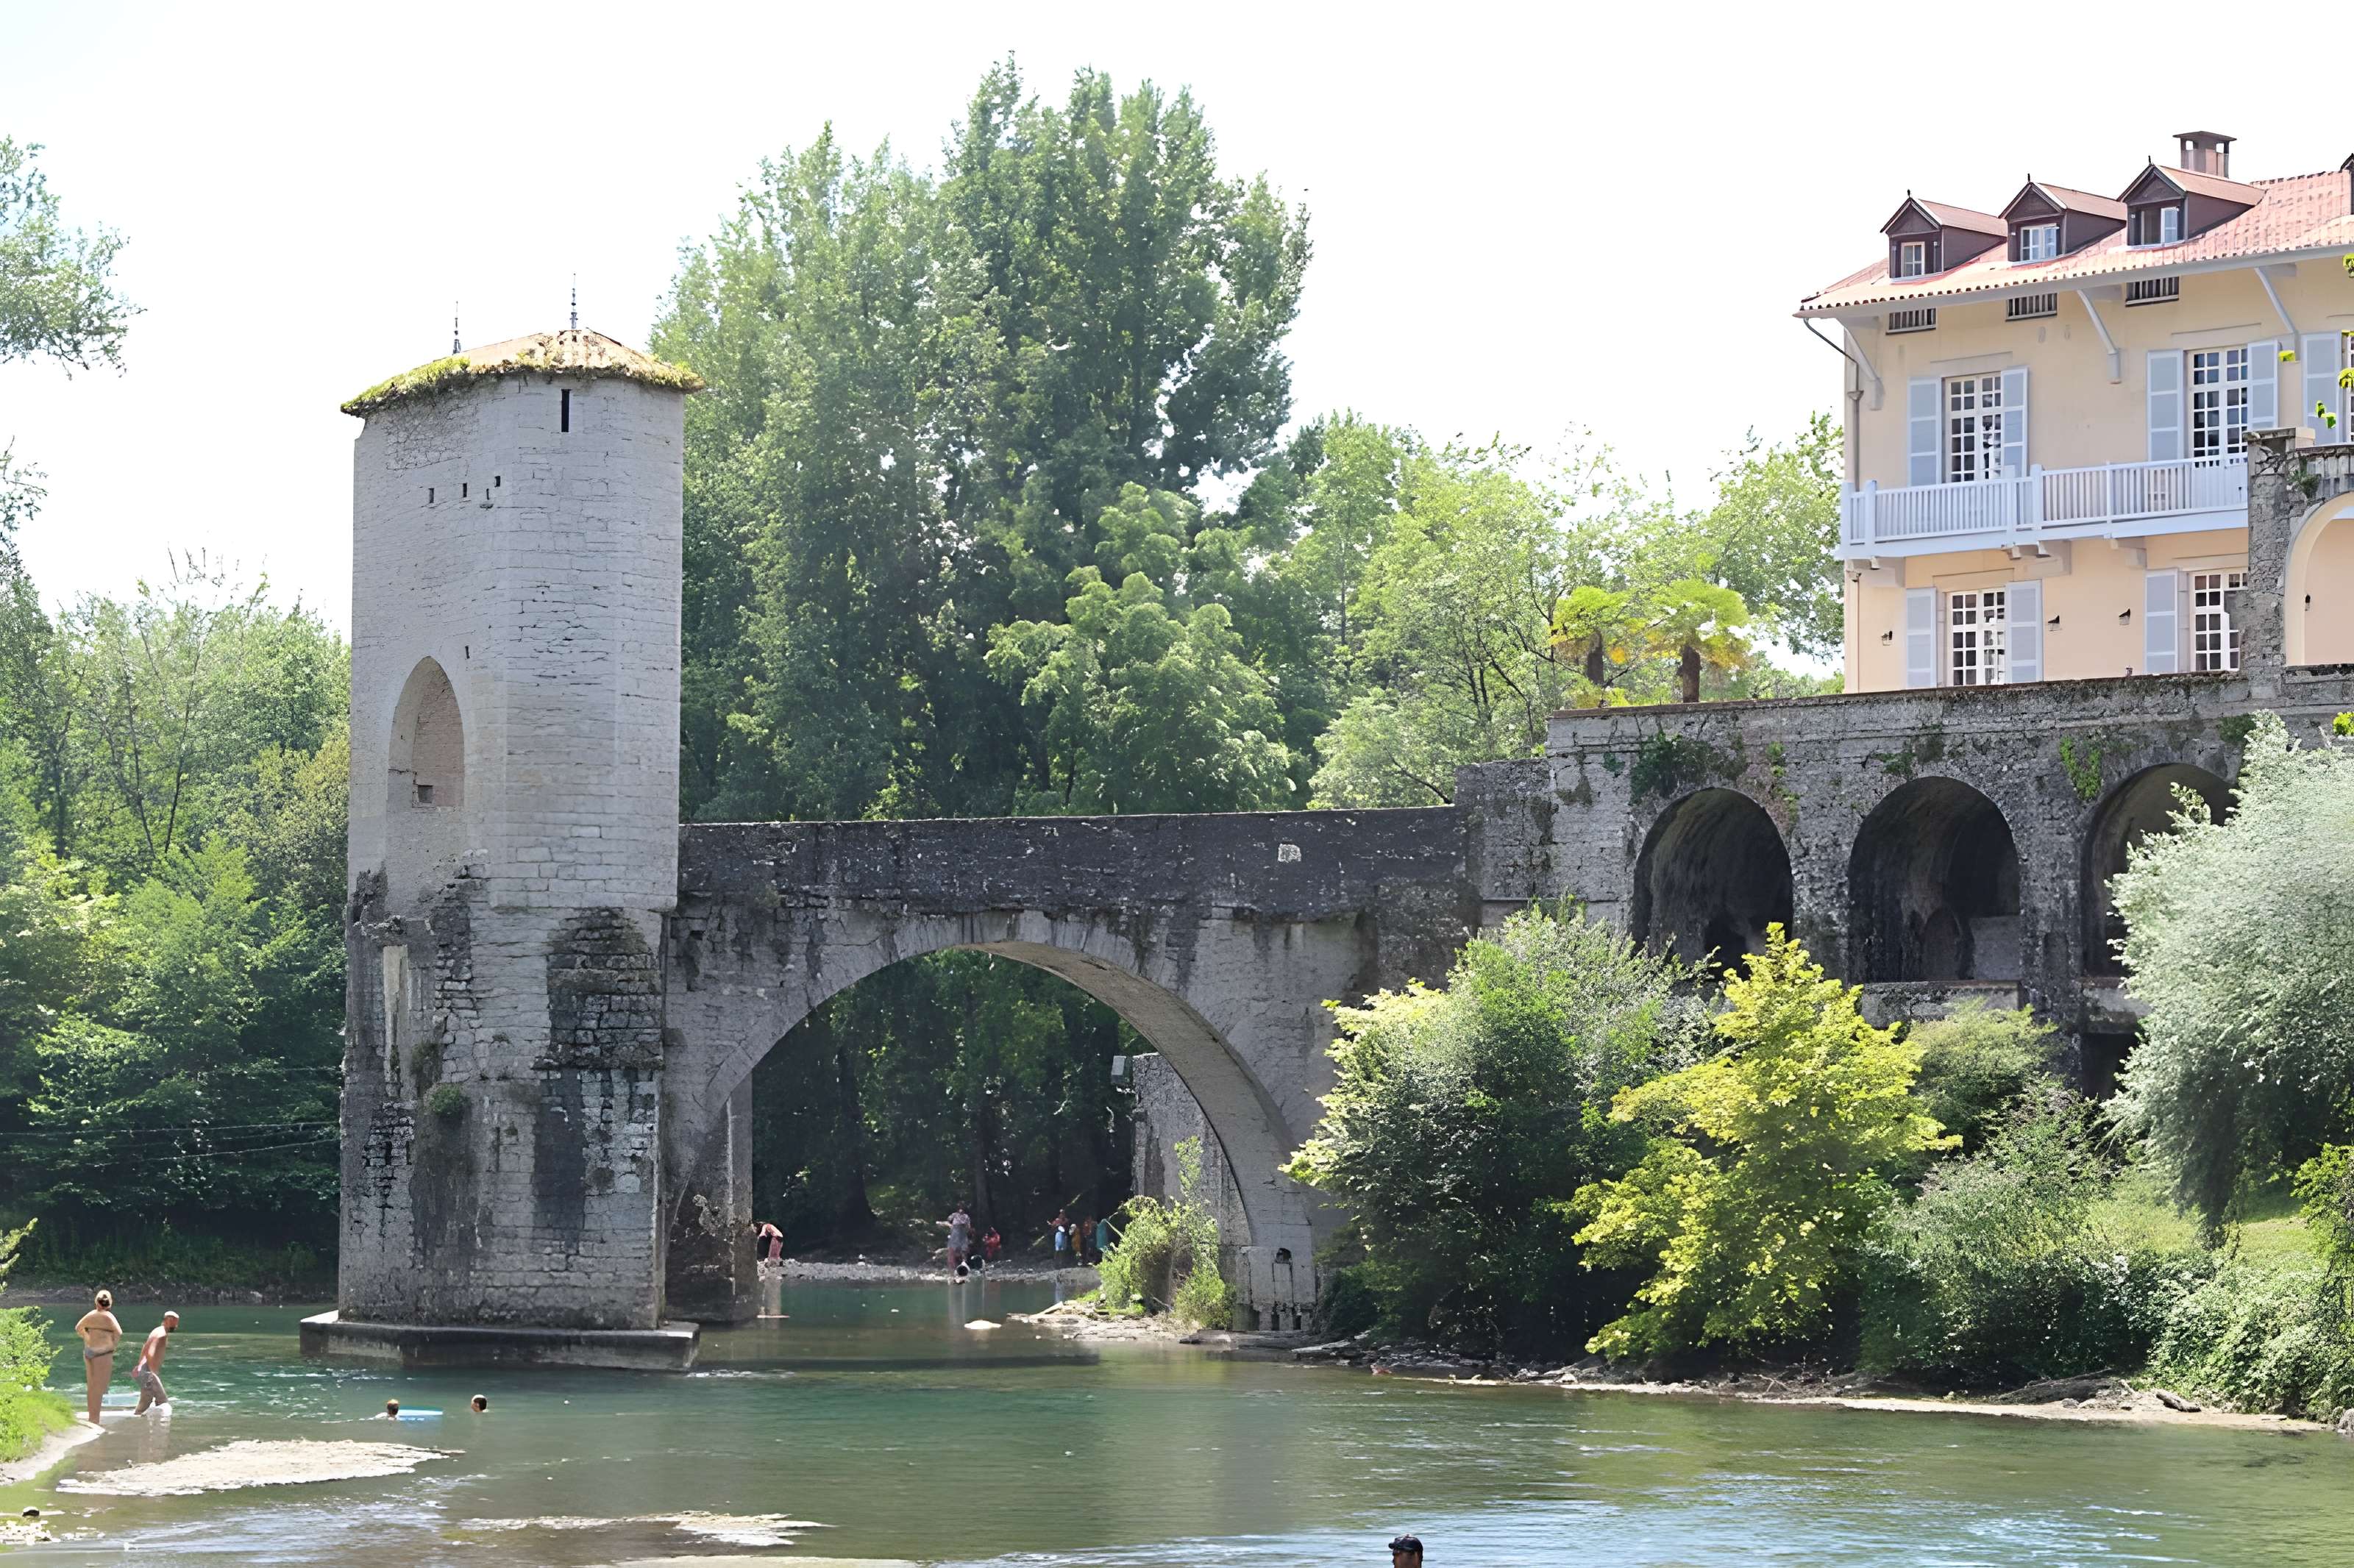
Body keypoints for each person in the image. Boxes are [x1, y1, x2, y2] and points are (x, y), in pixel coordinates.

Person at [72, 1291, 122, 1425]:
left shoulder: (91, 1315)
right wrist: (112, 1346)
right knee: (99, 1388)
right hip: (102, 1353)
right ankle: (95, 1419)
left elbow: (78, 1328)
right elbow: (119, 1333)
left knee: (92, 1387)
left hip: (89, 1351)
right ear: (109, 1303)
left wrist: (87, 1336)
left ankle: (92, 1417)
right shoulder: (109, 1317)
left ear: (96, 1302)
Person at [132, 1311, 177, 1414]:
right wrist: (152, 1372)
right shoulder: (162, 1334)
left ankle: (137, 1420)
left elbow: (145, 1348)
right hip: (148, 1373)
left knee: (146, 1402)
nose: (176, 1326)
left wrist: (139, 1365)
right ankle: (162, 1423)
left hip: (144, 1371)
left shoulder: (157, 1330)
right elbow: (150, 1351)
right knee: (163, 1402)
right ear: (169, 1320)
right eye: (175, 1323)